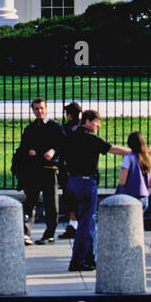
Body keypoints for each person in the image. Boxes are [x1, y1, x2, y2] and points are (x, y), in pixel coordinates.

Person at [63, 110, 131, 272]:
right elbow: (112, 149)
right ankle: (79, 260)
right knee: (87, 224)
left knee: (86, 221)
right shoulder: (89, 138)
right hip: (86, 182)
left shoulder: (71, 135)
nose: (98, 125)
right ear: (87, 121)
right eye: (96, 122)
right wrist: (136, 151)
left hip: (72, 181)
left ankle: (88, 258)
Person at [18, 98, 63, 244]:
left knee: (51, 203)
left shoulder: (54, 126)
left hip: (49, 169)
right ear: (32, 110)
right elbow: (23, 146)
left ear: (46, 109)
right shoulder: (30, 128)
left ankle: (49, 233)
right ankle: (26, 233)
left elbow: (63, 143)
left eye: (42, 108)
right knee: (30, 201)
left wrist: (53, 150)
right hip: (33, 169)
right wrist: (29, 150)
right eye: (36, 109)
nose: (39, 111)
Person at [58, 101, 83, 239]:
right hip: (82, 168)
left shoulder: (66, 129)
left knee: (69, 197)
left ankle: (73, 224)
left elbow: (62, 147)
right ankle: (77, 224)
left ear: (69, 115)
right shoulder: (82, 128)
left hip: (67, 168)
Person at [116, 130, 151, 216]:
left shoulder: (128, 158)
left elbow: (122, 181)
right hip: (144, 196)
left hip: (129, 196)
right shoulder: (147, 159)